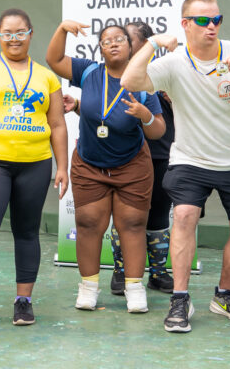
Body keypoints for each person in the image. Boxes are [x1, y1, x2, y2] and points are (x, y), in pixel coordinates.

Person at [122, 0, 230, 333]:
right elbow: (129, 81)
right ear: (185, 24)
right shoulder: (174, 62)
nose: (211, 26)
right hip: (190, 159)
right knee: (185, 215)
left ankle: (224, 295)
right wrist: (152, 43)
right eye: (203, 20)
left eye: (216, 19)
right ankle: (180, 298)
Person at [0, 8, 69, 328]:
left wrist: (62, 166)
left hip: (35, 163)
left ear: (30, 34)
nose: (14, 39)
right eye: (7, 33)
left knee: (27, 232)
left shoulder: (47, 77)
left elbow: (57, 124)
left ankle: (24, 301)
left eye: (20, 33)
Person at [46, 21, 164, 314]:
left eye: (119, 39)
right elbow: (54, 60)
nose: (112, 43)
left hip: (131, 166)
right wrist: (62, 30)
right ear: (100, 49)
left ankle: (134, 289)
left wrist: (145, 114)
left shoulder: (143, 81)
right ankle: (88, 287)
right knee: (88, 224)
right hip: (90, 165)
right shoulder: (88, 72)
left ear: (130, 47)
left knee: (132, 225)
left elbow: (158, 131)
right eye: (106, 40)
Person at [106, 21, 177, 295]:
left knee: (158, 214)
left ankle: (158, 273)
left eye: (128, 38)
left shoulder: (164, 71)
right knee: (124, 216)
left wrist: (173, 98)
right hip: (124, 154)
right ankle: (120, 270)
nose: (121, 42)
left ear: (147, 44)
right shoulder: (111, 74)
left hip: (159, 153)